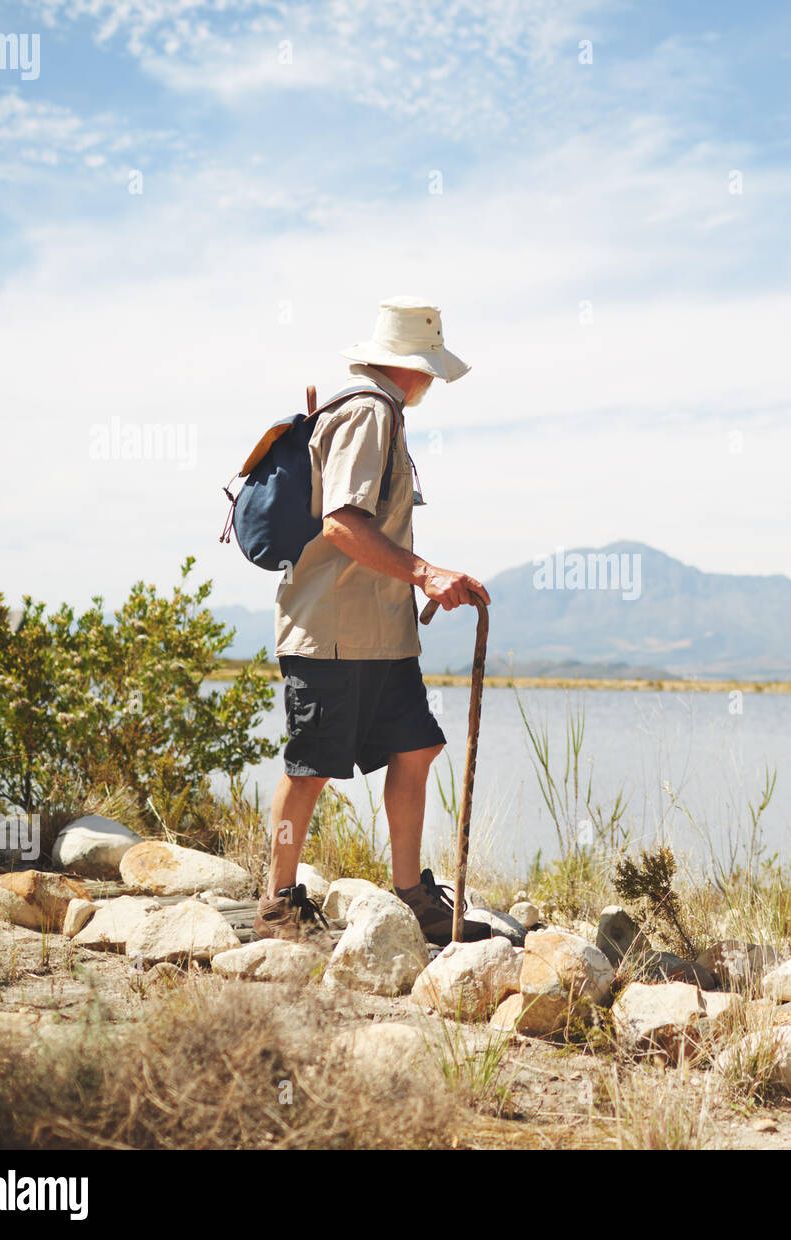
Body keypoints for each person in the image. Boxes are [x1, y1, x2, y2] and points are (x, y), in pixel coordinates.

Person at [253, 296, 492, 945]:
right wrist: (426, 574)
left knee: (417, 747)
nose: (435, 382)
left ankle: (412, 898)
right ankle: (278, 904)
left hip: (380, 633)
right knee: (311, 768)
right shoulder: (367, 412)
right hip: (331, 630)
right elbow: (343, 523)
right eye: (432, 369)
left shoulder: (375, 411)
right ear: (414, 366)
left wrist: (424, 578)